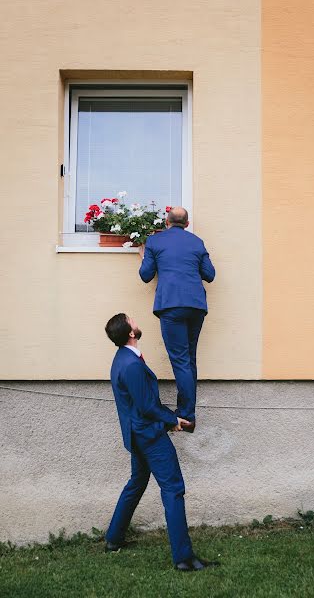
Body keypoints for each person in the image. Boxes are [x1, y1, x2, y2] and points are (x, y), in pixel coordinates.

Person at [104, 312, 218, 571]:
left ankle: (113, 539)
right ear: (130, 333)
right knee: (174, 489)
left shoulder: (122, 359)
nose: (135, 320)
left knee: (136, 484)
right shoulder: (131, 365)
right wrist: (173, 420)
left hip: (138, 434)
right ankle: (184, 558)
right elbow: (146, 405)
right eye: (132, 319)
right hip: (148, 435)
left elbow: (139, 404)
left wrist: (167, 420)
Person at [139, 207, 215, 432]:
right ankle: (187, 413)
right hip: (196, 306)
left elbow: (145, 276)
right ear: (187, 223)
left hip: (171, 305)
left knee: (181, 360)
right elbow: (209, 275)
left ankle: (186, 416)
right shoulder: (197, 242)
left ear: (166, 221)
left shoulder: (154, 242)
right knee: (189, 359)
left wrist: (144, 257)